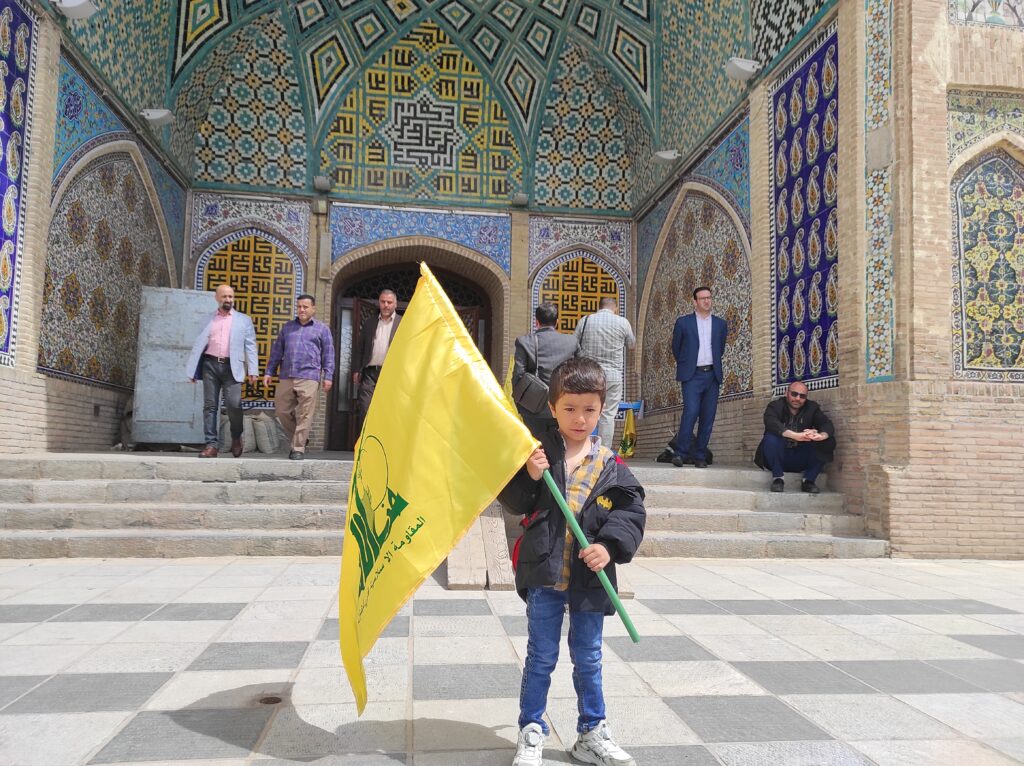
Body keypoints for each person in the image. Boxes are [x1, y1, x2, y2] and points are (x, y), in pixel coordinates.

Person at [500, 357, 645, 766]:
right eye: (569, 408)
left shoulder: (611, 464)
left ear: (602, 409)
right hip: (545, 573)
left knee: (589, 656)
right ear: (553, 408)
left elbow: (631, 513)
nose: (580, 419)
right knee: (541, 656)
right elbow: (514, 501)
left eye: (589, 410)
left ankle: (592, 732)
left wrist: (609, 546)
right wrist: (529, 475)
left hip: (590, 580)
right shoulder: (539, 454)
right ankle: (531, 730)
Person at [185, 284, 258, 458]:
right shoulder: (207, 319)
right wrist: (192, 369)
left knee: (234, 405)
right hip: (210, 365)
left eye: (230, 296)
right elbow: (198, 345)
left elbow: (250, 346)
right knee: (210, 406)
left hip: (232, 367)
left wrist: (253, 370)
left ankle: (236, 437)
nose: (228, 300)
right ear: (217, 298)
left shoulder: (244, 320)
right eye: (224, 296)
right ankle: (211, 445)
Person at [263, 294, 335, 460]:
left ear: (313, 309)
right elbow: (277, 351)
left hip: (309, 375)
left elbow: (328, 354)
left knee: (305, 413)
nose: (302, 310)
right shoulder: (288, 327)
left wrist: (328, 376)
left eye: (305, 307)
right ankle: (300, 437)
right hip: (287, 375)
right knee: (281, 411)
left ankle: (298, 448)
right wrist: (269, 372)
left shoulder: (322, 329)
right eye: (299, 307)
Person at [662, 286, 727, 468]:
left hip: (712, 375)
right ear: (694, 302)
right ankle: (680, 453)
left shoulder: (720, 324)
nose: (707, 301)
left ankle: (700, 455)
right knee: (691, 411)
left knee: (708, 415)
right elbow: (676, 348)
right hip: (692, 375)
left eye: (709, 297)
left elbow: (720, 348)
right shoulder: (684, 323)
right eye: (702, 298)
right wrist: (687, 363)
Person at [754, 380, 835, 494]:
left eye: (802, 396)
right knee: (771, 437)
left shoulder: (812, 408)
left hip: (799, 458)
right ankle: (778, 479)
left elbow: (826, 424)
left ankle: (809, 480)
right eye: (794, 394)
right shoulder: (775, 406)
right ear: (786, 393)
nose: (797, 398)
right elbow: (771, 422)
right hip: (776, 458)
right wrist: (795, 435)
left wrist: (820, 435)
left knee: (828, 440)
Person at [575, 297, 635, 448]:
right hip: (613, 376)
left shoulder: (585, 320)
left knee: (586, 411)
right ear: (615, 308)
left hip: (589, 375)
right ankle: (603, 452)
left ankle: (582, 449)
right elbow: (632, 344)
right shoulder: (623, 322)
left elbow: (574, 344)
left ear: (599, 307)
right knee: (607, 416)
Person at [512, 303, 578, 438]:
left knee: (536, 445)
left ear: (536, 322)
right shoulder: (572, 342)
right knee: (561, 444)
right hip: (563, 405)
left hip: (532, 407)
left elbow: (518, 375)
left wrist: (519, 403)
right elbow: (580, 373)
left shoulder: (524, 342)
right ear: (557, 322)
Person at [352, 289, 401, 424]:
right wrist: (356, 370)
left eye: (389, 302)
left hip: (391, 374)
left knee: (388, 409)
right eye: (383, 302)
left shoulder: (402, 323)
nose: (386, 305)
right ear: (379, 303)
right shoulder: (370, 323)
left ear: (395, 304)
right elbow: (360, 348)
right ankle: (367, 437)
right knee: (365, 408)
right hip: (370, 373)